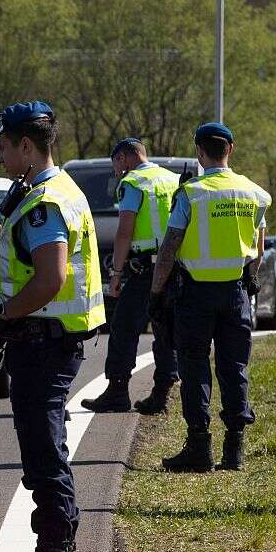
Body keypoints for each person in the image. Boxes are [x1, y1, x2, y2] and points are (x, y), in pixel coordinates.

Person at [0, 101, 105, 552]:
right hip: (50, 342)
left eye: (5, 146)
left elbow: (49, 279)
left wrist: (1, 318)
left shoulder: (45, 204)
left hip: (42, 343)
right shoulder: (58, 189)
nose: (1, 155)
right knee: (47, 455)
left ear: (26, 145)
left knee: (45, 460)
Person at [148, 122, 271, 472]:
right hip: (236, 292)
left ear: (200, 153)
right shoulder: (255, 194)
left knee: (194, 364)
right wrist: (251, 277)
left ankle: (199, 448)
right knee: (234, 367)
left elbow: (170, 247)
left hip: (195, 294)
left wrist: (156, 293)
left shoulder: (191, 193)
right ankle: (234, 450)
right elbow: (257, 249)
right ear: (230, 150)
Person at [81, 139, 180, 414]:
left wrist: (116, 272)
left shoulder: (133, 183)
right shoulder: (171, 179)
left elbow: (125, 231)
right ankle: (162, 393)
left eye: (115, 164)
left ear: (124, 158)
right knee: (165, 330)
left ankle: (117, 391)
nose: (116, 171)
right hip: (174, 268)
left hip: (145, 269)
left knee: (124, 327)